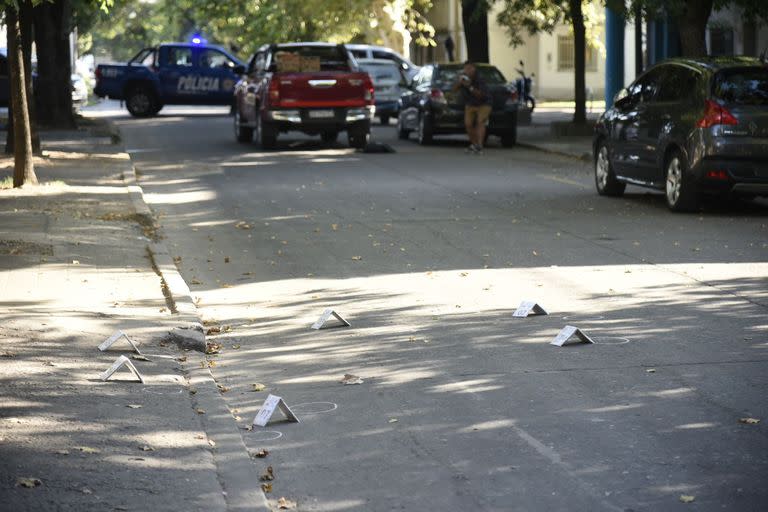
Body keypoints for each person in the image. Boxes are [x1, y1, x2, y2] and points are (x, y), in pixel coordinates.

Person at [452, 61, 491, 154]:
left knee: (480, 122)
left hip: (484, 103)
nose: (467, 71)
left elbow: (481, 95)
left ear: (474, 69)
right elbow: (453, 89)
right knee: (468, 124)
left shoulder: (480, 79)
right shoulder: (463, 77)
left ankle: (480, 146)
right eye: (465, 68)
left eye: (469, 68)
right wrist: (459, 82)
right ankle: (474, 144)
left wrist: (470, 86)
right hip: (470, 104)